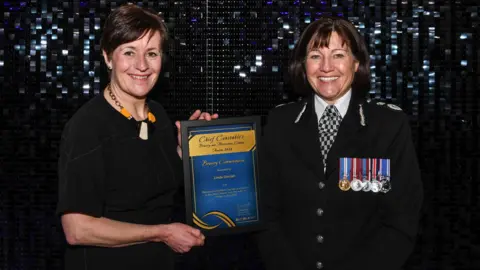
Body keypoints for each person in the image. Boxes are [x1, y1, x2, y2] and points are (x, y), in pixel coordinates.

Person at [56, 4, 217, 270]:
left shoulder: (158, 115)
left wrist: (187, 149)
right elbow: (77, 229)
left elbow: (151, 185)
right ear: (108, 57)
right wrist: (162, 233)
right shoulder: (88, 127)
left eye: (151, 53)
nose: (142, 65)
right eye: (129, 52)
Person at [256, 16, 423, 270]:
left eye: (338, 55)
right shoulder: (280, 122)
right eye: (315, 56)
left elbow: (402, 221)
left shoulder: (388, 126)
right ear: (303, 64)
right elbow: (266, 215)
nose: (326, 67)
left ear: (356, 63)